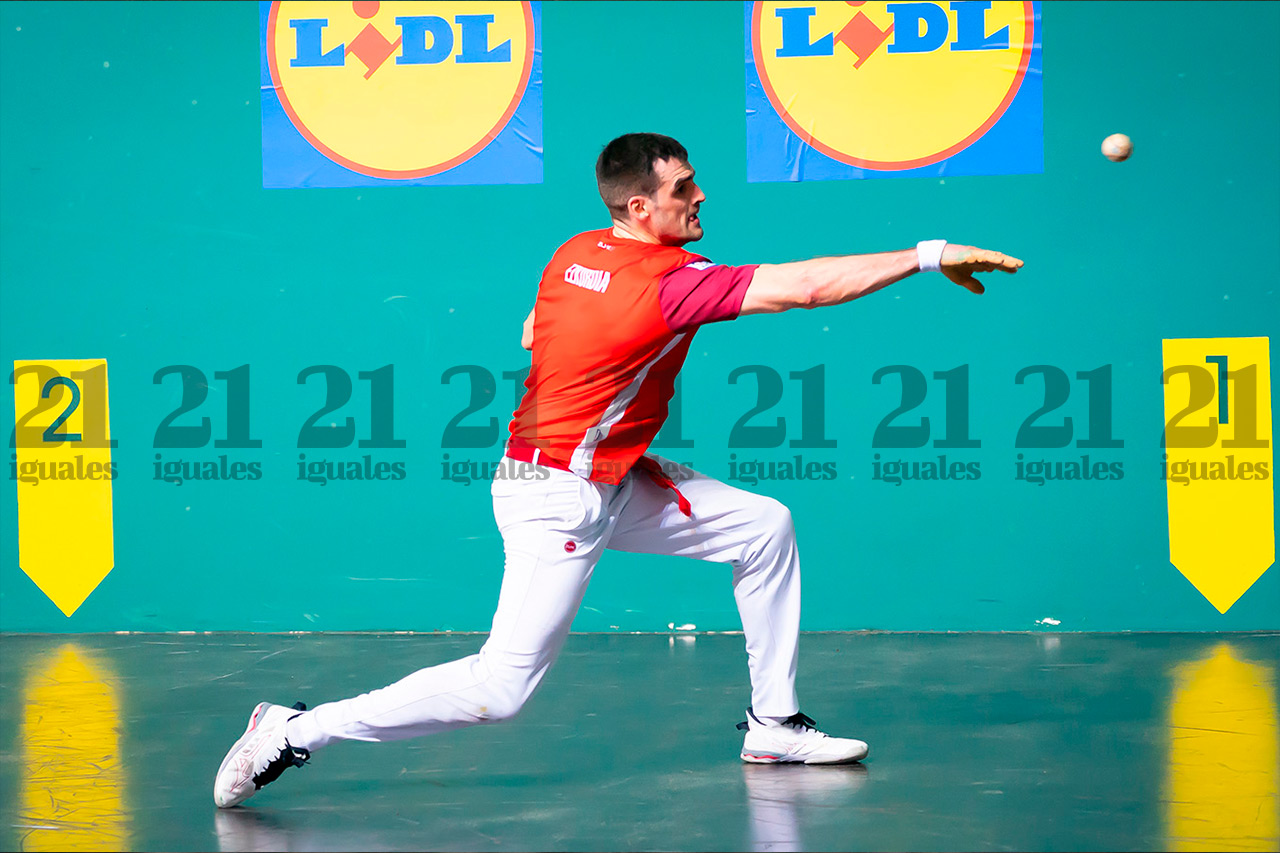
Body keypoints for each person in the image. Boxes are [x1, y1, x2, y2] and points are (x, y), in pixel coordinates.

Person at [214, 133, 1022, 808]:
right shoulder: (670, 285)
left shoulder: (575, 253)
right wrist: (927, 254)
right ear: (641, 207)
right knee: (500, 690)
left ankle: (774, 724)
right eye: (683, 190)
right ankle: (291, 729)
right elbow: (807, 287)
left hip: (606, 475)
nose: (698, 199)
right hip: (554, 497)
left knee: (763, 525)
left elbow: (535, 331)